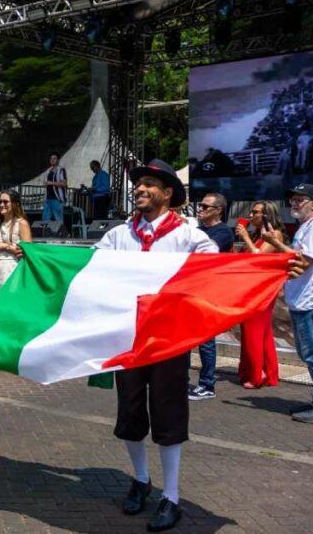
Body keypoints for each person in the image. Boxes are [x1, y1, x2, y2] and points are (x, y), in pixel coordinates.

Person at [94, 159, 218, 532]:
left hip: (168, 339)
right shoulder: (119, 235)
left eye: (149, 184)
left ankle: (172, 496)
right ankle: (141, 479)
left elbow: (219, 268)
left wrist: (277, 264)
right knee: (130, 415)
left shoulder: (189, 235)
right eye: (139, 184)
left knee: (168, 415)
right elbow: (83, 267)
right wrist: (37, 255)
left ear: (167, 194)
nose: (140, 189)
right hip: (127, 337)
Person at [262, 183, 313, 424]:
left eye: (301, 200)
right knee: (308, 353)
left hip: (312, 300)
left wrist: (274, 243)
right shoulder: (305, 227)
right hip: (303, 300)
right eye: (293, 200)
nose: (295, 204)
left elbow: (302, 262)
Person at [234, 200, 286, 389]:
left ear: (266, 215)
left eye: (255, 212)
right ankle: (267, 373)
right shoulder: (258, 235)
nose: (251, 216)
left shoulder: (275, 235)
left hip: (262, 292)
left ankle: (256, 375)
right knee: (262, 334)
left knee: (253, 332)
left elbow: (259, 258)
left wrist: (246, 238)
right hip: (252, 289)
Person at [188, 192, 235, 401]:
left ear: (218, 211)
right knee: (187, 337)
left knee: (206, 339)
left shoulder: (223, 231)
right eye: (201, 206)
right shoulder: (198, 230)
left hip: (210, 291)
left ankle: (207, 384)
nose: (201, 210)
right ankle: (181, 379)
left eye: (206, 207)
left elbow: (205, 253)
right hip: (192, 289)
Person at [42, 152, 67, 223]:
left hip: (57, 198)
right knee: (45, 219)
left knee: (58, 219)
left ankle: (61, 233)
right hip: (48, 198)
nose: (52, 160)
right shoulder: (48, 170)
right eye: (51, 158)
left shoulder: (61, 170)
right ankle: (46, 233)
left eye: (54, 158)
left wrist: (51, 183)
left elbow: (64, 183)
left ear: (58, 160)